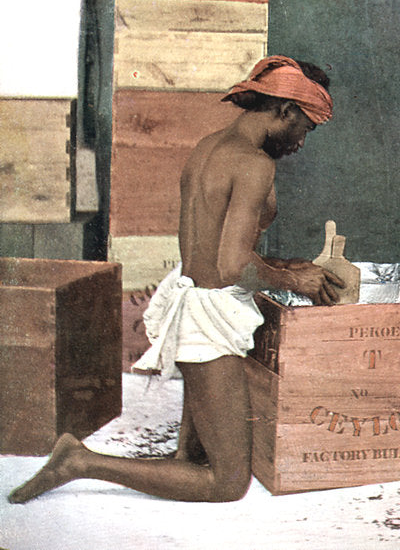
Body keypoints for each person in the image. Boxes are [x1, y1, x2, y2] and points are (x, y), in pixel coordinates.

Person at [8, 56, 346, 504]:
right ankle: (81, 461)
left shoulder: (210, 146)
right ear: (284, 110)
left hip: (194, 301)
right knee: (227, 484)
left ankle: (155, 459)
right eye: (306, 126)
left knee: (193, 456)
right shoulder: (253, 164)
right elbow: (230, 268)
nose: (303, 140)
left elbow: (215, 246)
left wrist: (287, 266)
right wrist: (292, 281)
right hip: (211, 316)